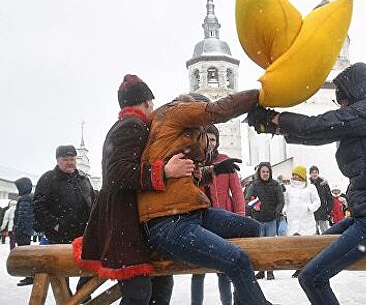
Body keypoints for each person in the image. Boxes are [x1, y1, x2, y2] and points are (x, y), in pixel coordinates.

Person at [248, 62, 366, 304]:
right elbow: (324, 133)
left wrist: (275, 118)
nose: (343, 107)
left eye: (343, 101)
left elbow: (323, 124)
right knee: (311, 253)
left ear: (355, 92)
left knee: (311, 277)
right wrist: (279, 128)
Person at [137, 90, 273, 305]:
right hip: (168, 223)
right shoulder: (177, 111)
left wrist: (214, 170)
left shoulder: (175, 131)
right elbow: (218, 111)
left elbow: (180, 179)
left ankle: (244, 301)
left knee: (252, 228)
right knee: (237, 260)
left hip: (192, 213)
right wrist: (260, 95)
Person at [77, 74, 194, 304]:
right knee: (139, 293)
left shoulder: (128, 125)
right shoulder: (132, 126)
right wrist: (164, 171)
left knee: (159, 285)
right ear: (147, 102)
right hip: (124, 223)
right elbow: (118, 173)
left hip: (126, 221)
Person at [191, 124, 246, 305]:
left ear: (217, 142)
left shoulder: (225, 161)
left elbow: (237, 191)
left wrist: (240, 216)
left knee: (224, 266)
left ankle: (227, 303)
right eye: (207, 138)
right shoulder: (193, 161)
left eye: (213, 139)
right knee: (198, 269)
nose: (210, 143)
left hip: (223, 219)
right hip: (200, 220)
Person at [34, 144, 97, 293]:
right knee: (60, 272)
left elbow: (93, 202)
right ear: (57, 160)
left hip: (83, 234)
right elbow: (38, 206)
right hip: (59, 235)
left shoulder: (83, 179)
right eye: (65, 159)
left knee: (93, 263)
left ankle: (83, 293)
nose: (70, 162)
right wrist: (55, 224)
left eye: (72, 159)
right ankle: (65, 299)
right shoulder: (48, 178)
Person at [245, 162, 285, 280]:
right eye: (263, 172)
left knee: (270, 247)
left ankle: (270, 271)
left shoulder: (275, 185)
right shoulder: (253, 185)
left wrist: (276, 212)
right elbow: (247, 199)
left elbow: (280, 201)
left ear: (270, 172)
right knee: (260, 247)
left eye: (267, 172)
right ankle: (261, 270)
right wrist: (254, 207)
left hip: (271, 220)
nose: (265, 174)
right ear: (259, 173)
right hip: (257, 220)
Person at [283, 165, 321, 278]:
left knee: (307, 245)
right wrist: (285, 210)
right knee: (296, 246)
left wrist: (309, 208)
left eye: (297, 175)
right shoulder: (288, 188)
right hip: (293, 221)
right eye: (293, 175)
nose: (295, 177)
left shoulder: (310, 188)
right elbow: (286, 202)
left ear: (302, 176)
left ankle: (308, 267)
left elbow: (317, 202)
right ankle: (298, 267)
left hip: (306, 221)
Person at [13, 177, 35, 286]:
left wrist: (17, 228)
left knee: (25, 254)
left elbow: (22, 215)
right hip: (27, 229)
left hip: (23, 230)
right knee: (27, 253)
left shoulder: (25, 199)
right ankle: (30, 275)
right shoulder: (30, 197)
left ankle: (30, 276)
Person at [309, 165, 333, 234]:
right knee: (313, 231)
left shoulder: (323, 183)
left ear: (318, 173)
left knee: (325, 231)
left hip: (322, 210)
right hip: (312, 210)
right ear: (310, 173)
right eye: (312, 172)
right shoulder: (307, 183)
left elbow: (329, 198)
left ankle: (326, 244)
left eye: (316, 172)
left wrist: (329, 210)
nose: (314, 174)